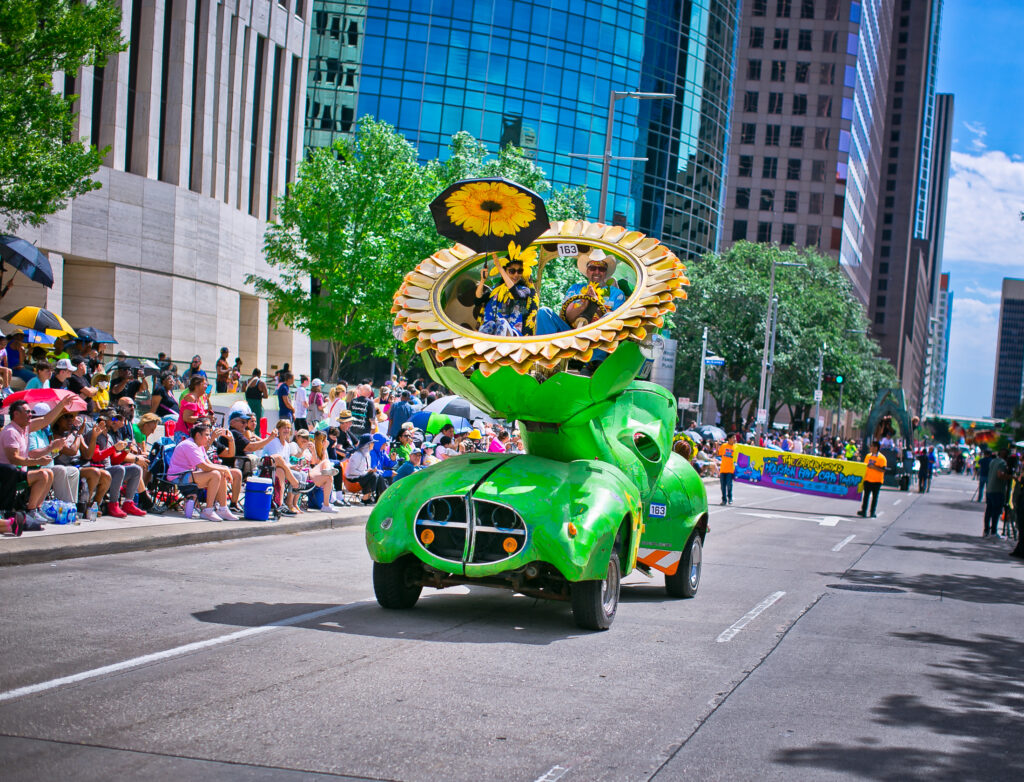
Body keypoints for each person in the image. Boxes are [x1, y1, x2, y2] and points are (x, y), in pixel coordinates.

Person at [0, 398, 71, 525]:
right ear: (16, 414)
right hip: (7, 474)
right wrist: (38, 461)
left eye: (31, 412)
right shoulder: (11, 432)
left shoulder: (25, 428)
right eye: (27, 412)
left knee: (49, 473)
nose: (30, 415)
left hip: (18, 472)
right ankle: (30, 510)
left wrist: (61, 405)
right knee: (43, 474)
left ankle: (37, 508)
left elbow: (45, 420)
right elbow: (13, 459)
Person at [535, 249, 626, 335]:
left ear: (606, 272)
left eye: (601, 269)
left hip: (597, 339)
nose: (597, 272)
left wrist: (596, 304)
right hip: (570, 333)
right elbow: (565, 317)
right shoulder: (575, 289)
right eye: (592, 268)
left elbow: (616, 325)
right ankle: (543, 349)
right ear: (587, 271)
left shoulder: (617, 294)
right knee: (544, 312)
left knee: (610, 316)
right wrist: (584, 304)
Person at [166, 423, 238, 521]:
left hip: (188, 475)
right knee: (216, 474)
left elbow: (209, 463)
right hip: (178, 477)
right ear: (198, 435)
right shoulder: (189, 445)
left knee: (220, 473)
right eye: (207, 435)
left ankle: (223, 509)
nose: (209, 438)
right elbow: (204, 467)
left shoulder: (199, 446)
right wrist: (224, 469)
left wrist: (225, 469)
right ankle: (208, 511)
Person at [81, 411, 147, 518]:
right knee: (119, 469)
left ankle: (128, 503)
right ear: (103, 420)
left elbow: (115, 460)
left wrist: (125, 451)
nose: (115, 422)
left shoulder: (109, 436)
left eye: (116, 419)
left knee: (136, 469)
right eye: (113, 419)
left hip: (110, 469)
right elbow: (95, 456)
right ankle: (113, 504)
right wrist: (114, 448)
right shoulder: (94, 435)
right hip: (98, 469)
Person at [474, 248, 539, 336]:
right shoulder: (495, 289)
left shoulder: (524, 290)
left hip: (512, 334)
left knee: (502, 323)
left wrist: (500, 268)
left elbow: (516, 294)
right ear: (505, 271)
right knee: (490, 325)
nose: (516, 274)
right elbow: (478, 301)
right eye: (512, 271)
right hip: (491, 333)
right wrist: (482, 281)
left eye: (519, 271)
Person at [345, 433, 387, 503]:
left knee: (377, 475)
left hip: (361, 476)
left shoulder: (367, 454)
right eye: (372, 443)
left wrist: (369, 471)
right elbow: (351, 471)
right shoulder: (357, 455)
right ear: (367, 444)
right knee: (373, 475)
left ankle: (380, 497)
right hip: (352, 479)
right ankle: (367, 498)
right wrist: (366, 473)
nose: (373, 445)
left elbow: (365, 469)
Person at [983, 447, 1011, 538]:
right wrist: (1010, 477)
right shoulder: (1002, 463)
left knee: (988, 511)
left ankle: (986, 530)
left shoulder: (993, 461)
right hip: (998, 490)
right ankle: (993, 531)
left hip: (990, 488)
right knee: (996, 511)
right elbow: (1000, 475)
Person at [857, 441, 887, 518]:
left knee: (874, 497)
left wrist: (874, 467)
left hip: (877, 481)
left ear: (876, 448)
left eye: (872, 446)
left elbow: (883, 470)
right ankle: (864, 511)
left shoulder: (882, 458)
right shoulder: (868, 456)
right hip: (867, 479)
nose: (871, 448)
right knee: (866, 496)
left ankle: (872, 512)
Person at [717, 433, 738, 506]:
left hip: (730, 470)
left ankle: (730, 498)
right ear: (729, 439)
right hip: (723, 469)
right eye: (733, 438)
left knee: (729, 485)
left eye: (735, 438)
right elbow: (718, 454)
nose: (735, 439)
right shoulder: (724, 446)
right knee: (723, 486)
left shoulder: (736, 447)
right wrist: (717, 446)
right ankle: (724, 500)